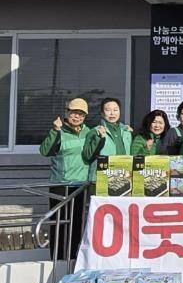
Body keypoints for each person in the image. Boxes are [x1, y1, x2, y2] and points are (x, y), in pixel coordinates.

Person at [39, 98, 91, 260]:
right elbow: (45, 151)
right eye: (74, 113)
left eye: (81, 114)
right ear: (67, 112)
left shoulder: (88, 132)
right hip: (61, 185)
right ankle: (58, 259)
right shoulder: (59, 130)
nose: (77, 117)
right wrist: (55, 130)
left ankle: (73, 259)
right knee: (59, 224)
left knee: (76, 224)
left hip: (80, 185)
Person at [82, 98, 133, 182]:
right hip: (101, 180)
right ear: (102, 113)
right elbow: (88, 156)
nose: (112, 113)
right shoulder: (95, 131)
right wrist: (99, 138)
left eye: (115, 110)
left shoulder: (126, 132)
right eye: (108, 110)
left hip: (123, 178)